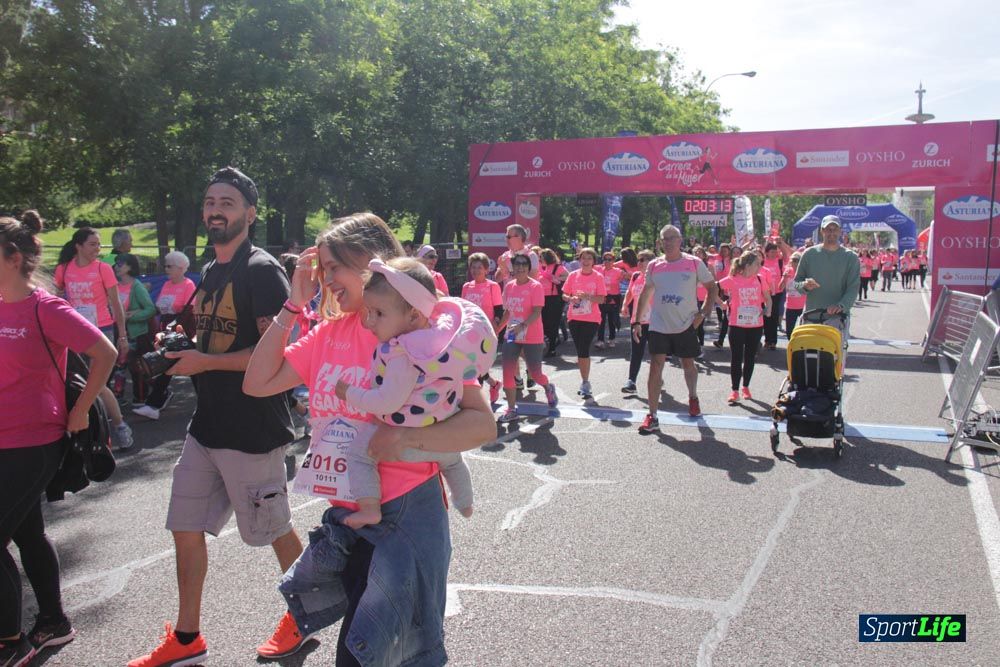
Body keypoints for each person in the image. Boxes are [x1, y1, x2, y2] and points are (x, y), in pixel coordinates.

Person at [242, 211, 495, 665]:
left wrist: (397, 439)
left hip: (408, 514)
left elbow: (482, 424)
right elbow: (257, 383)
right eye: (320, 269)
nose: (326, 279)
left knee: (388, 654)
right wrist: (292, 305)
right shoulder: (329, 334)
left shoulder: (416, 334)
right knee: (365, 653)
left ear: (369, 262)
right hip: (348, 514)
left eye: (332, 267)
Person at [129, 167, 303, 667]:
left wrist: (205, 362)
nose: (215, 209)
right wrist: (182, 349)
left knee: (273, 529)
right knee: (184, 526)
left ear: (249, 213)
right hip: (205, 427)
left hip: (253, 431)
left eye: (226, 202)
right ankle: (187, 639)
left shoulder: (262, 270)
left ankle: (302, 617)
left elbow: (278, 355)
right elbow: (209, 338)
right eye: (209, 201)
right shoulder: (209, 270)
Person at [0, 210, 117, 667]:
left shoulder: (45, 308)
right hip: (3, 439)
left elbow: (103, 353)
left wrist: (81, 409)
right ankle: (53, 623)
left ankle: (10, 642)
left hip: (36, 440)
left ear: (12, 258)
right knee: (28, 533)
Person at [330, 256, 494, 526]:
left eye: (379, 314)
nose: (369, 322)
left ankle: (369, 508)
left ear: (414, 316)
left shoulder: (402, 352)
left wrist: (349, 393)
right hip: (438, 435)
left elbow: (387, 402)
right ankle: (465, 503)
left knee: (358, 455)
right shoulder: (439, 344)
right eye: (369, 312)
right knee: (453, 462)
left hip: (402, 437)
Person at [53, 227, 133, 450]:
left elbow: (116, 304)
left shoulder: (103, 269)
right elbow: (54, 296)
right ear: (78, 246)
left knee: (96, 384)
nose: (97, 249)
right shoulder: (64, 269)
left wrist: (123, 336)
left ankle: (120, 427)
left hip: (101, 331)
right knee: (76, 383)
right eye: (92, 244)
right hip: (73, 332)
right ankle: (86, 433)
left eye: (99, 245)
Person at [634, 225, 718, 433]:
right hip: (659, 324)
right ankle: (652, 416)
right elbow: (646, 292)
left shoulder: (693, 262)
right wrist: (637, 321)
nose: (668, 242)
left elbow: (712, 287)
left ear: (680, 240)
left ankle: (693, 397)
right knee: (655, 366)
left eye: (672, 238)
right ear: (660, 242)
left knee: (687, 364)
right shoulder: (654, 265)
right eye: (664, 239)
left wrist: (703, 313)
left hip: (685, 324)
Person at [791, 214, 861, 370]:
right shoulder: (809, 254)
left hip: (836, 317)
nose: (831, 233)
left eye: (835, 229)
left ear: (840, 232)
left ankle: (834, 386)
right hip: (811, 314)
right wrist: (805, 285)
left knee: (833, 359)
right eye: (828, 229)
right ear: (822, 231)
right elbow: (796, 283)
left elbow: (853, 287)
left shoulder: (850, 257)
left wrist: (841, 305)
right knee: (807, 357)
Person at [134, 251, 198, 420]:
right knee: (168, 366)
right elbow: (160, 306)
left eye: (170, 266)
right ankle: (154, 404)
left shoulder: (188, 285)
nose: (166, 269)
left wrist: (172, 329)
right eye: (166, 265)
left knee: (189, 367)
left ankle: (154, 404)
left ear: (181, 268)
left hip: (182, 330)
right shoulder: (167, 284)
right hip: (166, 328)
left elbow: (188, 311)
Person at [495, 253, 559, 422]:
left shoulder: (535, 286)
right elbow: (508, 312)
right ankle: (511, 409)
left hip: (532, 334)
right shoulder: (509, 286)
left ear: (529, 268)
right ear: (512, 267)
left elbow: (537, 312)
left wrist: (522, 326)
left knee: (535, 373)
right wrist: (497, 330)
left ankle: (548, 387)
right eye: (517, 264)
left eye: (524, 264)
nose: (521, 267)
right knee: (507, 371)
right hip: (512, 335)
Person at [719, 253, 772, 403]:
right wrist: (721, 303)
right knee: (736, 358)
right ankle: (734, 390)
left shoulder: (760, 279)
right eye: (757, 264)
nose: (759, 267)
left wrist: (768, 309)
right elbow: (713, 287)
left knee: (750, 357)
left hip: (755, 325)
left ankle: (746, 387)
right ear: (748, 265)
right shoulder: (733, 279)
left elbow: (768, 298)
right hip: (736, 325)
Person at [561, 247, 607, 397]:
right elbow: (564, 294)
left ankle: (585, 382)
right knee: (580, 350)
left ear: (594, 261)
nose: (586, 261)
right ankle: (584, 380)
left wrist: (588, 296)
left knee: (583, 349)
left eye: (589, 258)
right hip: (574, 317)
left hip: (591, 318)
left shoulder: (598, 277)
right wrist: (570, 298)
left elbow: (601, 298)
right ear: (579, 260)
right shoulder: (573, 275)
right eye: (583, 258)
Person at [114, 253, 157, 407]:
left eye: (121, 264)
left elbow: (151, 309)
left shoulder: (137, 286)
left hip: (134, 333)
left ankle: (142, 396)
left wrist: (130, 317)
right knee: (120, 366)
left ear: (130, 267)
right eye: (116, 263)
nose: (117, 267)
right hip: (118, 331)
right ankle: (119, 397)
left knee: (131, 366)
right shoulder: (115, 286)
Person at [461, 252, 503, 402]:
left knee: (478, 365)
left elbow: (499, 309)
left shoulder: (493, 286)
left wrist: (496, 325)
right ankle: (493, 384)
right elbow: (463, 309)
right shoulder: (466, 287)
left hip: (486, 332)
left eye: (480, 267)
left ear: (486, 270)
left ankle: (476, 400)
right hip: (469, 332)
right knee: (470, 363)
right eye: (473, 267)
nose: (476, 270)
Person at [620, 250, 654, 393]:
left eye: (642, 259)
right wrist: (624, 305)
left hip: (654, 321)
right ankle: (631, 381)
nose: (639, 262)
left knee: (656, 353)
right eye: (638, 259)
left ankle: (656, 377)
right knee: (636, 352)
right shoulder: (635, 276)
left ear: (651, 262)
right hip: (637, 321)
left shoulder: (656, 278)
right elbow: (629, 292)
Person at [761, 238, 792, 350]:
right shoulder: (762, 262)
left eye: (776, 251)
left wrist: (781, 243)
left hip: (776, 293)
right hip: (764, 293)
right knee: (765, 316)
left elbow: (786, 253)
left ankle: (773, 341)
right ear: (767, 252)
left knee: (773, 316)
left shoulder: (779, 261)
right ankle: (767, 339)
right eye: (772, 252)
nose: (774, 254)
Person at [538, 248, 568, 356]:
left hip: (554, 298)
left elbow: (567, 277)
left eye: (541, 257)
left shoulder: (558, 267)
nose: (539, 259)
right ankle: (547, 344)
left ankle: (552, 348)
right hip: (541, 298)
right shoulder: (539, 268)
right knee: (543, 323)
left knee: (553, 323)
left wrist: (555, 278)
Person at [595, 251, 625, 348]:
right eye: (605, 259)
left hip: (613, 299)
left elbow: (631, 276)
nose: (607, 261)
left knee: (612, 321)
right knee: (601, 320)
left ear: (613, 261)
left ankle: (612, 338)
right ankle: (600, 340)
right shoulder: (598, 269)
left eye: (610, 259)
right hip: (601, 299)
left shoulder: (618, 271)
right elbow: (586, 265)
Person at [711, 243, 733, 349]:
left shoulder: (735, 261)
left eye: (726, 250)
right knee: (726, 317)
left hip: (737, 294)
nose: (724, 252)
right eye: (722, 250)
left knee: (730, 318)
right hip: (725, 289)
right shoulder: (717, 258)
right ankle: (720, 340)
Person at [783, 253, 806, 334]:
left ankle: (802, 346)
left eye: (797, 261)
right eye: (793, 261)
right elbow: (780, 287)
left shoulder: (804, 273)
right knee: (789, 331)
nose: (795, 263)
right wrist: (784, 278)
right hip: (790, 306)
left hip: (803, 307)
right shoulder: (787, 271)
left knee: (804, 331)